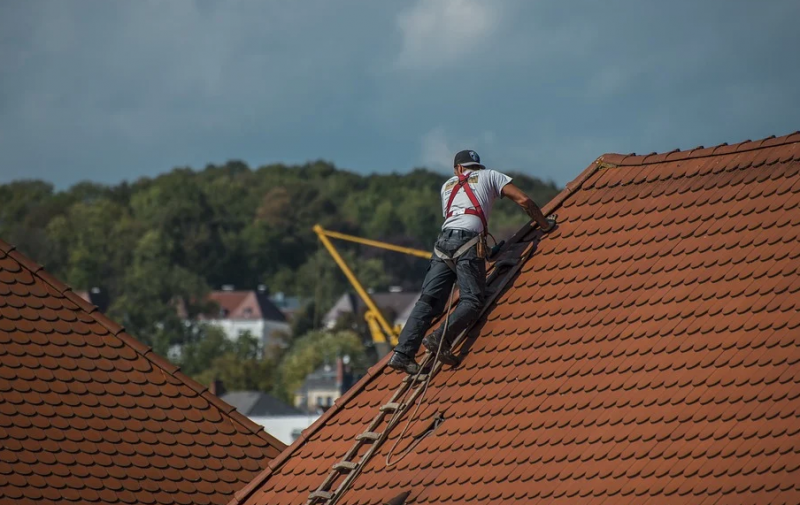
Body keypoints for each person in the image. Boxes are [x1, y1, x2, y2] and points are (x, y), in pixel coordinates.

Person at [387, 149, 556, 374]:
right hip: (468, 242)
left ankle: (402, 353)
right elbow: (524, 200)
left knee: (427, 301)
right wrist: (545, 224)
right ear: (477, 167)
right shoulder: (491, 175)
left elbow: (458, 218)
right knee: (473, 300)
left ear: (458, 169)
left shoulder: (446, 186)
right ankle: (440, 338)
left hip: (442, 245)